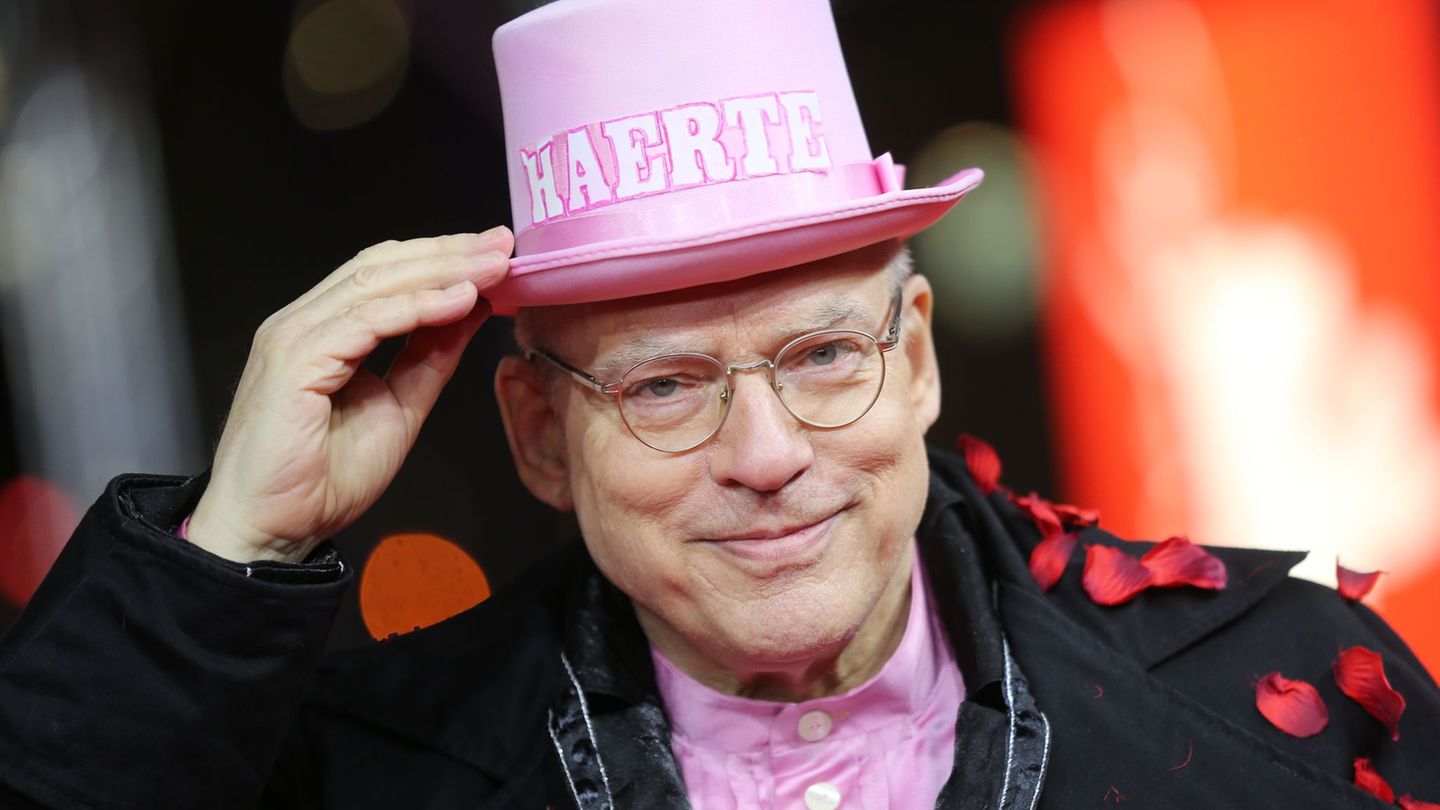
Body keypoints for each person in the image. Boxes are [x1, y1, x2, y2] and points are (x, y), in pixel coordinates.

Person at [1, 0, 1438, 808]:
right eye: (667, 384)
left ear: (919, 359)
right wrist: (226, 548)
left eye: (823, 356)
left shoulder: (1301, 708)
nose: (767, 456)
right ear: (538, 434)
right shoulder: (358, 771)